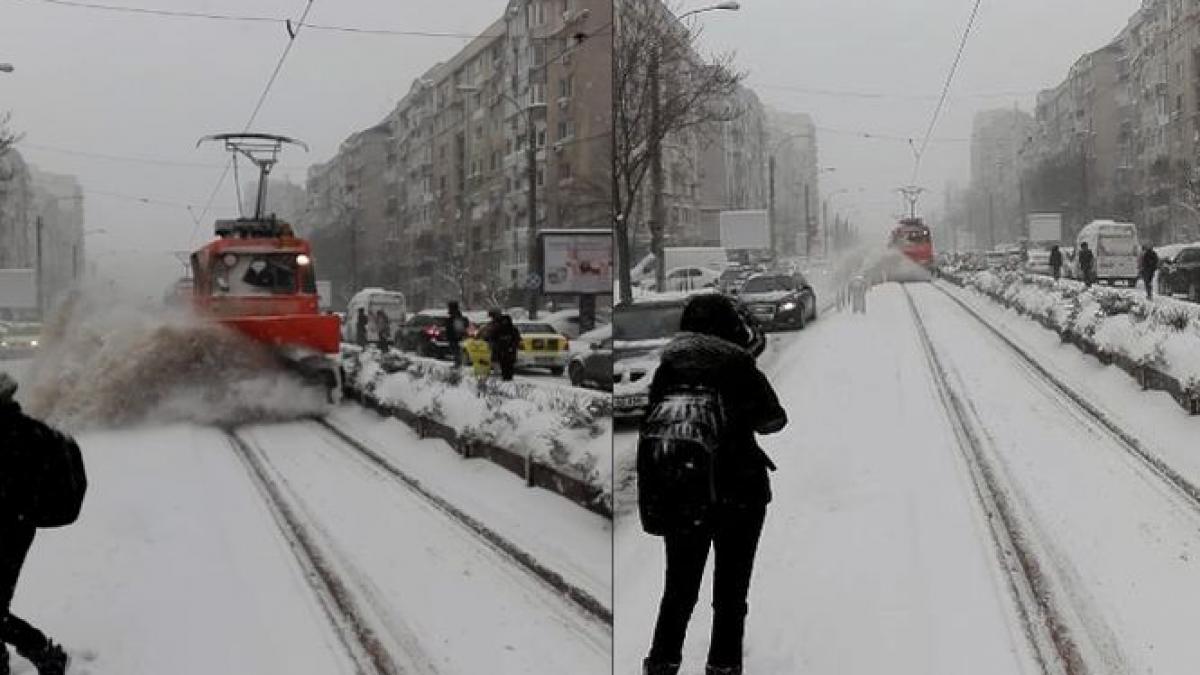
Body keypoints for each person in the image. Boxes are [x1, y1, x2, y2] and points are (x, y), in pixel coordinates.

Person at [639, 294, 787, 675]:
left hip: (681, 494)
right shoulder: (738, 367)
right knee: (731, 594)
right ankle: (722, 665)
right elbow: (773, 420)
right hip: (739, 495)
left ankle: (661, 663)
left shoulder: (668, 369)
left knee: (678, 591)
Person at [0, 372, 74, 675]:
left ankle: (41, 650)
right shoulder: (38, 434)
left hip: (9, 530)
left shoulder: (21, 436)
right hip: (18, 528)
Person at [446, 302, 468, 367]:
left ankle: (458, 364)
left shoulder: (455, 317)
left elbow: (458, 328)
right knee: (456, 352)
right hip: (455, 337)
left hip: (455, 338)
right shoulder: (457, 316)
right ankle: (458, 363)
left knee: (457, 352)